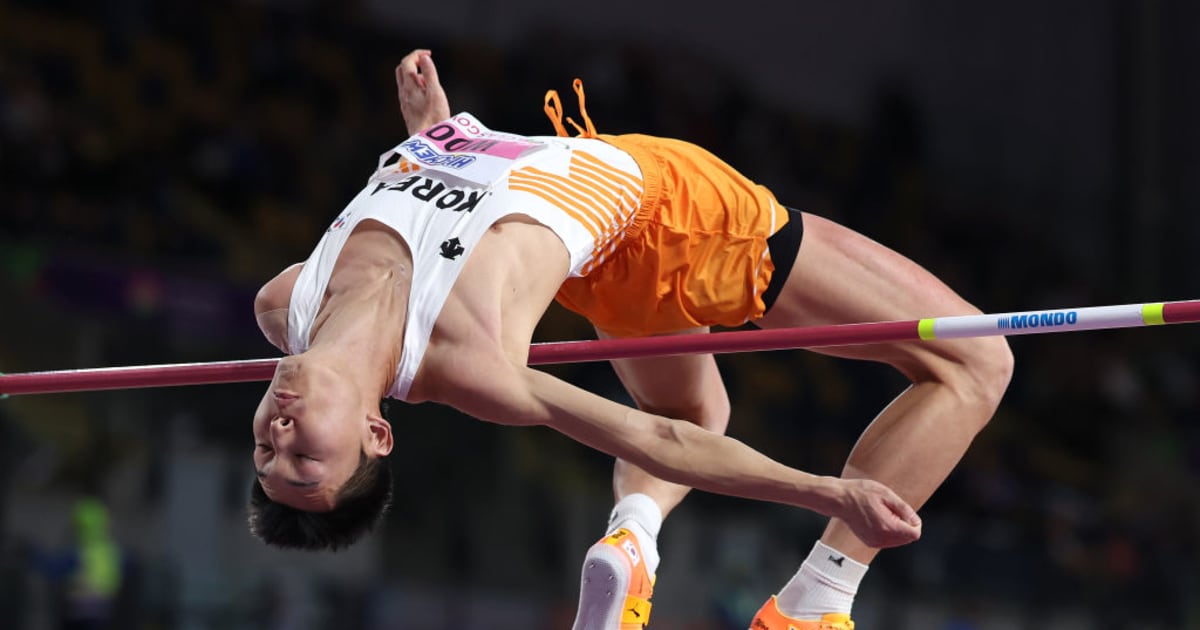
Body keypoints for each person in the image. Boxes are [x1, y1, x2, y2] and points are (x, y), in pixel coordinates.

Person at [246, 49, 1012, 629]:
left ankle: (635, 540)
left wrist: (430, 133)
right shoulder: (470, 363)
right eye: (307, 458)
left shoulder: (286, 304)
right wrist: (826, 492)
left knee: (702, 406)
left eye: (266, 454)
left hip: (601, 260)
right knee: (975, 356)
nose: (280, 436)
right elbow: (654, 439)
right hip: (673, 214)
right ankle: (820, 600)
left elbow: (442, 218)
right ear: (378, 435)